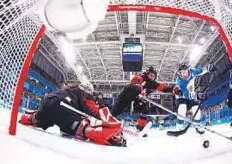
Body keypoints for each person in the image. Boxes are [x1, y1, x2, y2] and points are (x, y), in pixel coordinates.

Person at [19, 82, 126, 147]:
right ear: (86, 91)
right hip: (61, 105)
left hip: (46, 101)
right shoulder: (80, 94)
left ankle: (31, 118)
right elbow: (88, 111)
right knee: (81, 125)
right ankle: (110, 138)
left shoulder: (69, 90)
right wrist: (103, 120)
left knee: (39, 120)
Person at [112, 66, 174, 131]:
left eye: (153, 76)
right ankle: (111, 117)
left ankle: (140, 128)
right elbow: (137, 79)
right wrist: (137, 84)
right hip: (130, 95)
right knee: (121, 104)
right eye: (150, 75)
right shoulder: (142, 77)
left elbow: (164, 88)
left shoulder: (154, 84)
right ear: (147, 74)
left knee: (144, 108)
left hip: (138, 99)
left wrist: (173, 89)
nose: (152, 77)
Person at [173, 63, 216, 133]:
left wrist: (209, 67)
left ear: (188, 70)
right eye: (182, 72)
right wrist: (198, 96)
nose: (185, 74)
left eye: (185, 71)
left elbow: (202, 70)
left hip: (191, 93)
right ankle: (179, 127)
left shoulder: (193, 71)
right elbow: (187, 95)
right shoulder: (180, 81)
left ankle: (197, 126)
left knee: (197, 110)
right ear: (179, 73)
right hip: (182, 97)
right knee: (182, 109)